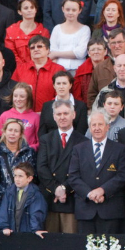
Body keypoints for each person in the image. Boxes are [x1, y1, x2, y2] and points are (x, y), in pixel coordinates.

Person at [67, 110, 125, 234]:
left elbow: (122, 175)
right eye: (93, 125)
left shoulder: (119, 149)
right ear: (89, 128)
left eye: (100, 124)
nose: (97, 128)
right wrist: (89, 193)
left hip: (110, 210)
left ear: (107, 127)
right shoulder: (79, 149)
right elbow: (73, 176)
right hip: (85, 209)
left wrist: (103, 191)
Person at [36, 100, 86, 234]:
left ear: (73, 115)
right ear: (54, 117)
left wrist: (64, 188)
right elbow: (41, 167)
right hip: (50, 199)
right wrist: (55, 189)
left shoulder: (83, 141)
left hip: (71, 199)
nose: (62, 117)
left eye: (66, 113)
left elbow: (82, 171)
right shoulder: (46, 139)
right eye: (58, 114)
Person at [0, 117, 36, 207]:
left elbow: (33, 176)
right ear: (4, 132)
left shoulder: (29, 152)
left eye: (16, 131)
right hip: (0, 200)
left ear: (20, 134)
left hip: (23, 200)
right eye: (10, 130)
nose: (12, 133)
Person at [0, 163, 47, 236]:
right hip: (11, 233)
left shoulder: (35, 194)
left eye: (20, 176)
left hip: (28, 234)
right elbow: (3, 211)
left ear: (29, 178)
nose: (17, 179)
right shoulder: (9, 192)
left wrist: (36, 229)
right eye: (15, 176)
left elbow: (36, 213)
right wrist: (4, 227)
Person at [48, 0, 92, 71]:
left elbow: (80, 53)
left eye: (74, 10)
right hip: (59, 69)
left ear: (79, 10)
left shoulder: (85, 29)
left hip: (79, 69)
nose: (70, 12)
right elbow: (53, 50)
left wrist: (56, 54)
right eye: (67, 9)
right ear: (63, 9)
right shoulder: (57, 29)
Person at [0, 82, 42, 149]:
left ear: (28, 98)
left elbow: (39, 141)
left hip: (27, 156)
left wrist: (28, 149)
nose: (18, 99)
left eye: (22, 96)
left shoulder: (35, 117)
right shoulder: (5, 115)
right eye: (15, 96)